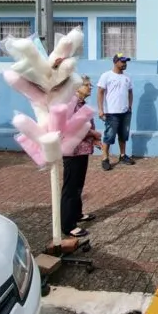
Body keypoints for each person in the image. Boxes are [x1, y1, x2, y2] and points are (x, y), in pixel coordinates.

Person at [61, 75, 102, 238]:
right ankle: (68, 225)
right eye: (87, 85)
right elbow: (73, 127)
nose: (90, 87)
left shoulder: (81, 104)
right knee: (70, 188)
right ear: (76, 87)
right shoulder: (71, 104)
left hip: (82, 149)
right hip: (73, 151)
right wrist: (94, 133)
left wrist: (93, 139)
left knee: (78, 185)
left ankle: (77, 214)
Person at [98, 53, 135, 170]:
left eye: (126, 62)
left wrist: (129, 106)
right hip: (111, 112)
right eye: (122, 61)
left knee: (123, 135)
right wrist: (101, 110)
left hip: (125, 112)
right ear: (115, 62)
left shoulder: (127, 77)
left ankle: (123, 155)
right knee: (109, 136)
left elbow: (130, 92)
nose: (125, 64)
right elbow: (100, 92)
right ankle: (105, 158)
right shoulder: (106, 76)